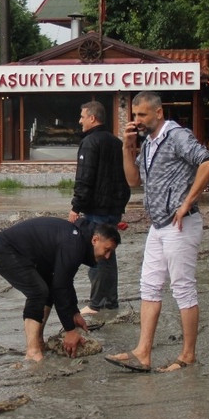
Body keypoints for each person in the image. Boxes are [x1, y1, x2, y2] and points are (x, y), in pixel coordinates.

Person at [105, 91, 209, 374]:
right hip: (158, 225)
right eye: (134, 115)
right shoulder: (150, 144)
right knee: (149, 286)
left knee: (182, 288)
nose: (137, 121)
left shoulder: (177, 135)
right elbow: (133, 180)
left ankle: (188, 355)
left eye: (142, 115)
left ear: (158, 112)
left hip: (182, 223)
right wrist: (127, 148)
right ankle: (143, 352)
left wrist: (187, 202)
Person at [0, 216, 120, 362]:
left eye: (111, 252)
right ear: (95, 240)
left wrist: (74, 312)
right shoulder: (74, 245)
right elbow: (60, 287)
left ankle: (39, 342)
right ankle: (32, 351)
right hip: (3, 250)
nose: (107, 256)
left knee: (47, 290)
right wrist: (70, 330)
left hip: (27, 253)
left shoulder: (78, 241)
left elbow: (66, 282)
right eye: (107, 250)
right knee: (38, 292)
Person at [69, 101, 131, 316]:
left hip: (97, 208)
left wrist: (76, 207)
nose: (80, 120)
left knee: (97, 254)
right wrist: (121, 203)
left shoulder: (89, 143)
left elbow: (84, 178)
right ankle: (111, 302)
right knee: (108, 254)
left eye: (82, 116)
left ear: (92, 118)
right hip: (114, 207)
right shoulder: (116, 142)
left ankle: (96, 304)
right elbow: (125, 177)